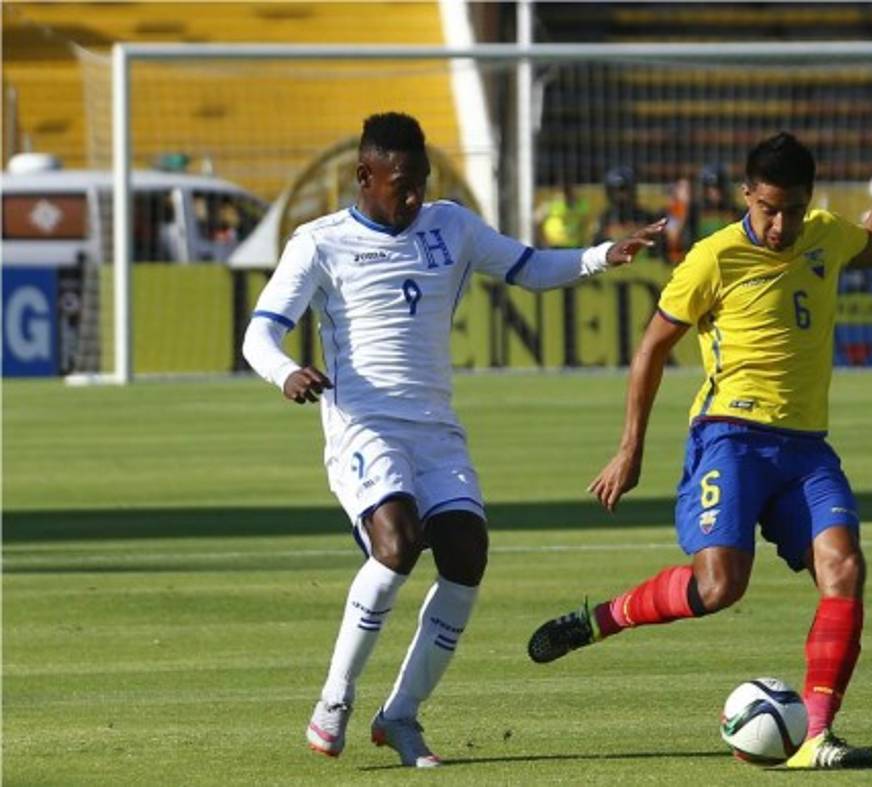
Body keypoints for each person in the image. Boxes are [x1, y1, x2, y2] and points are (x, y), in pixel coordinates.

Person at [242, 112, 663, 768]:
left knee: (466, 554)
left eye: (421, 182)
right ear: (365, 176)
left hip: (436, 430)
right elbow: (258, 333)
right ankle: (335, 697)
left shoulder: (452, 227)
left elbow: (528, 267)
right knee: (398, 543)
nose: (413, 196)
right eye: (401, 184)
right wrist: (287, 371)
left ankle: (401, 715)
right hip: (364, 424)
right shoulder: (318, 243)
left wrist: (601, 255)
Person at [527, 122, 872, 770]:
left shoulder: (823, 236)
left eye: (792, 210)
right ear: (745, 194)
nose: (780, 225)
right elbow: (651, 348)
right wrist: (630, 448)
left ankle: (816, 736)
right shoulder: (711, 257)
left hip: (806, 448)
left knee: (845, 568)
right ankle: (600, 618)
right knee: (720, 585)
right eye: (768, 209)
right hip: (729, 437)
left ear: (808, 201)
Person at [594, 166, 658, 256]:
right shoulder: (605, 218)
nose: (619, 196)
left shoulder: (646, 217)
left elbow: (657, 248)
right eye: (615, 191)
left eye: (623, 190)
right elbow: (596, 249)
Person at [535, 180, 591, 248]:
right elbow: (536, 221)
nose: (567, 195)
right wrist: (542, 241)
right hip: (554, 246)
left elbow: (585, 224)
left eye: (569, 191)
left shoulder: (580, 204)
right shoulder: (550, 204)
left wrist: (585, 241)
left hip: (575, 245)